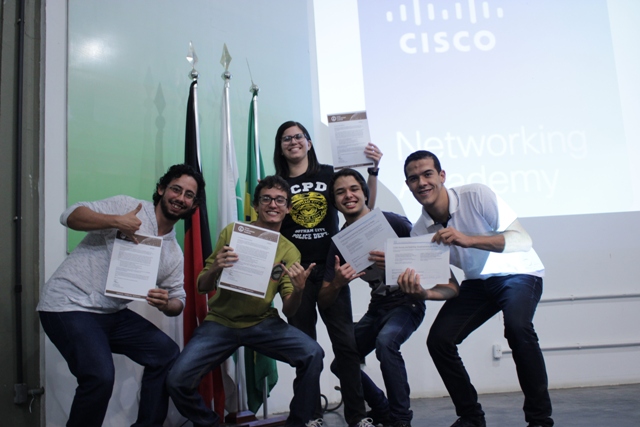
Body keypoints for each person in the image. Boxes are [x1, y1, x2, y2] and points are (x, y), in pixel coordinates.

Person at [37, 164, 205, 427]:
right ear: (162, 189)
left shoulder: (172, 252)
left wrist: (166, 304)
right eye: (176, 189)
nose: (180, 198)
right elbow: (69, 216)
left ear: (193, 205)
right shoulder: (128, 207)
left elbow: (178, 300)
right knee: (100, 377)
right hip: (69, 304)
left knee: (166, 353)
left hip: (110, 313)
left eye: (188, 195)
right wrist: (116, 221)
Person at [400, 150, 553, 427]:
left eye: (427, 174)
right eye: (413, 178)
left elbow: (523, 240)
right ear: (408, 185)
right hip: (477, 282)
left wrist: (469, 240)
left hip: (518, 272)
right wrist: (423, 294)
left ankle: (540, 420)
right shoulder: (419, 231)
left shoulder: (476, 195)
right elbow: (450, 287)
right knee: (439, 341)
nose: (421, 182)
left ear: (442, 176)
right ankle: (471, 417)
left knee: (517, 328)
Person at [166, 175, 325, 427]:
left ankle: (297, 423)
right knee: (177, 380)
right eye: (266, 199)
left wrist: (298, 290)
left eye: (280, 200)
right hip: (220, 322)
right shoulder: (234, 232)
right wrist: (216, 267)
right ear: (256, 205)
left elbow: (289, 308)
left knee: (313, 353)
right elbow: (202, 286)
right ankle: (211, 424)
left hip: (263, 323)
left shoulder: (289, 250)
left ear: (288, 208)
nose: (273, 204)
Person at [318, 168, 459, 427]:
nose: (348, 195)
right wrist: (338, 283)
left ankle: (400, 420)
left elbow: (438, 270)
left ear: (365, 193)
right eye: (340, 192)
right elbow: (324, 299)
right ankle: (382, 410)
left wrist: (400, 263)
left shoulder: (394, 222)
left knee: (386, 343)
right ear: (334, 201)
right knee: (341, 364)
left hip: (407, 302)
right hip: (378, 306)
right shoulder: (339, 242)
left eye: (354, 189)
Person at [273, 121, 382, 427]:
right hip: (296, 271)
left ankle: (358, 416)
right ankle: (311, 415)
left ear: (309, 143)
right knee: (305, 349)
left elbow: (364, 206)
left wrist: (373, 171)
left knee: (346, 345)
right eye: (286, 138)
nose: (293, 142)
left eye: (299, 136)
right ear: (280, 147)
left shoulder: (329, 174)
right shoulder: (278, 184)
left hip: (332, 268)